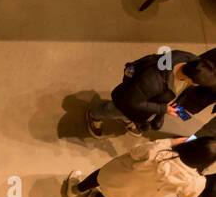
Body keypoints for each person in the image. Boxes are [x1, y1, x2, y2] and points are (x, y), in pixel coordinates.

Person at [87, 48, 216, 137]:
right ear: (190, 79)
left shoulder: (189, 59)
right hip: (128, 100)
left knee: (128, 113)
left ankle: (127, 118)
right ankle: (94, 114)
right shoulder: (152, 82)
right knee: (113, 110)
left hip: (144, 98)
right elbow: (131, 101)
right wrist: (162, 109)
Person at [67, 135, 216, 197]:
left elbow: (135, 152)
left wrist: (171, 141)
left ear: (189, 144)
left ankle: (75, 190)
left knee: (102, 177)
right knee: (119, 194)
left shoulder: (160, 151)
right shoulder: (195, 182)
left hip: (117, 176)